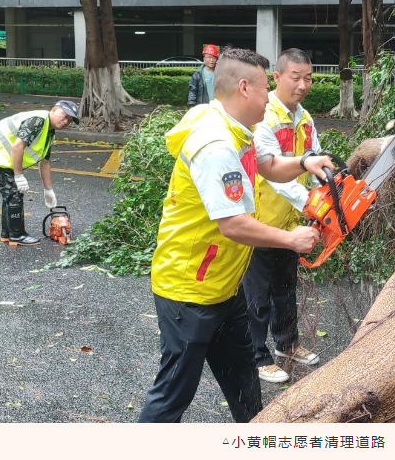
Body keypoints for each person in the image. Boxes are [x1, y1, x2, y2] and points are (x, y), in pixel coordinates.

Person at [138, 47, 333, 423]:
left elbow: (268, 164)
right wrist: (291, 239)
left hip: (224, 287)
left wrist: (305, 161)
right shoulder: (216, 146)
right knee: (173, 394)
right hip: (190, 290)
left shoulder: (235, 126)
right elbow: (233, 224)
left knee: (245, 384)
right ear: (245, 88)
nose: (269, 97)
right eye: (265, 88)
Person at [242, 48, 322, 383]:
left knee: (285, 289)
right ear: (277, 77)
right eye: (296, 77)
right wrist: (310, 203)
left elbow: (314, 160)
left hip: (290, 221)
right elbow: (273, 171)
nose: (303, 84)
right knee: (257, 295)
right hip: (261, 220)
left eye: (308, 78)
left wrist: (327, 194)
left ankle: (287, 344)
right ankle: (257, 356)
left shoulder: (305, 118)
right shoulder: (265, 117)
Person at [0, 100, 79, 245]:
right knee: (14, 191)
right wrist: (18, 175)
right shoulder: (38, 121)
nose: (65, 121)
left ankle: (7, 234)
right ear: (54, 109)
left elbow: (45, 162)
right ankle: (17, 236)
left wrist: (48, 190)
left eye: (69, 120)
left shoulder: (49, 132)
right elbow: (17, 147)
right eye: (64, 115)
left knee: (11, 193)